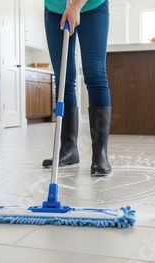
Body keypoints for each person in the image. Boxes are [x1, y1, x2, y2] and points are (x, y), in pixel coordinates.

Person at [42, 0, 112, 176]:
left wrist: (75, 5)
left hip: (92, 6)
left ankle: (100, 155)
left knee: (95, 74)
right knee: (63, 77)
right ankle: (68, 149)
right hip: (55, 8)